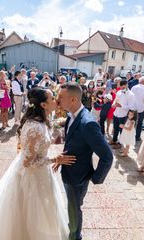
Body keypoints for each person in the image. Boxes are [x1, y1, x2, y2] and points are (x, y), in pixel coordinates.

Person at [0, 87, 76, 240]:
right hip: (31, 176)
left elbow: (35, 149)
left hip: (40, 173)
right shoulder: (34, 127)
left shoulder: (40, 121)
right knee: (31, 212)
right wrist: (56, 159)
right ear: (43, 105)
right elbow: (29, 163)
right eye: (52, 98)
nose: (56, 100)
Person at [57, 82, 113, 240]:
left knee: (75, 210)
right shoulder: (71, 116)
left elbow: (107, 156)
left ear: (73, 99)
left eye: (61, 97)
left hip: (78, 178)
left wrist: (96, 178)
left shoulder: (88, 124)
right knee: (72, 207)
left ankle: (75, 237)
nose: (57, 99)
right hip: (69, 173)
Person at [109, 79, 135, 149]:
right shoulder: (119, 92)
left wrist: (121, 106)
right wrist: (114, 104)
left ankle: (120, 143)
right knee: (115, 128)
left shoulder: (131, 95)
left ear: (127, 85)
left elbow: (131, 107)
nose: (121, 88)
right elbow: (116, 99)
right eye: (120, 87)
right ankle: (114, 140)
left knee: (122, 130)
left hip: (123, 115)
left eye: (123, 87)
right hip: (116, 113)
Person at [131, 76, 144, 141]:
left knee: (131, 122)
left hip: (133, 108)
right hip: (141, 109)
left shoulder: (133, 87)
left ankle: (129, 135)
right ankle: (137, 137)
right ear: (143, 81)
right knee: (139, 123)